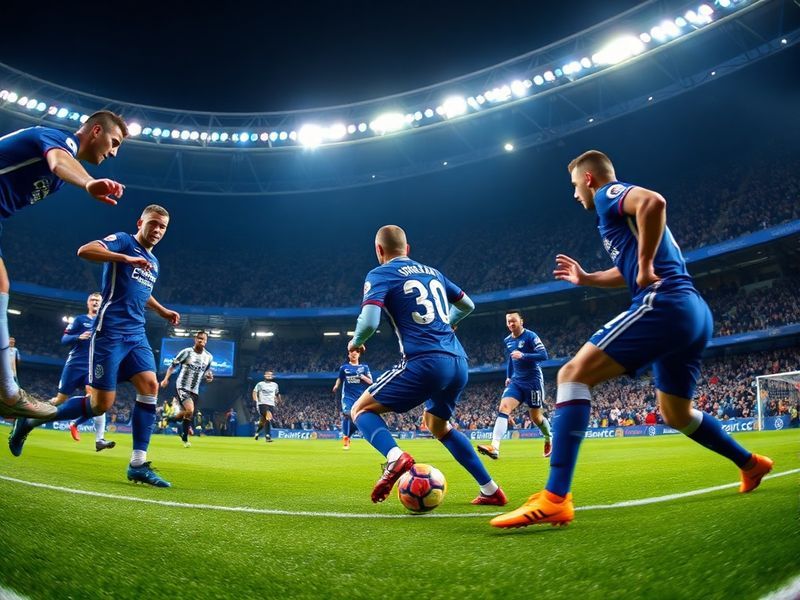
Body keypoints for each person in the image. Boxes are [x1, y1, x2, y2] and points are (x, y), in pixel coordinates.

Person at [491, 150, 773, 528]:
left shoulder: (609, 196)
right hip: (692, 312)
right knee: (675, 413)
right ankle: (750, 463)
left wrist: (643, 266)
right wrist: (589, 278)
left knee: (572, 375)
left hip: (665, 302)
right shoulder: (614, 218)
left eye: (575, 185)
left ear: (589, 179)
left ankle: (556, 496)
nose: (575, 195)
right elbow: (625, 266)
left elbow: (654, 202)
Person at [9, 205, 180, 488]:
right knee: (101, 405)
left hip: (136, 334)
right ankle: (30, 420)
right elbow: (85, 250)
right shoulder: (125, 241)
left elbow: (143, 292)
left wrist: (162, 310)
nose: (158, 231)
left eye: (163, 227)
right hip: (109, 333)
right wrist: (123, 258)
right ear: (141, 222)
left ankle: (137, 464)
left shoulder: (154, 262)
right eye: (153, 224)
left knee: (150, 386)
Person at [348, 225, 507, 506]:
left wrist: (356, 342)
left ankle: (395, 458)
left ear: (379, 251)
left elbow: (369, 321)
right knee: (437, 425)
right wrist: (449, 321)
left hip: (424, 362)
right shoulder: (432, 271)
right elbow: (467, 304)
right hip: (458, 362)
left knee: (359, 409)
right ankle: (491, 489)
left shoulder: (380, 273)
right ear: (408, 249)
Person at [0, 111, 127, 419]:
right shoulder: (57, 139)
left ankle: (7, 392)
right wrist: (88, 183)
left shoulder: (57, 182)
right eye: (113, 142)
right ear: (96, 130)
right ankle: (7, 393)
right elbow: (58, 160)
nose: (113, 153)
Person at [477, 311, 552, 460]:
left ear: (521, 321)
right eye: (508, 322)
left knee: (536, 418)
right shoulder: (508, 340)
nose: (511, 324)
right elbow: (511, 359)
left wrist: (524, 355)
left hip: (533, 382)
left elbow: (544, 355)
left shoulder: (531, 336)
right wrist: (508, 376)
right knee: (503, 408)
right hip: (516, 381)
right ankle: (495, 447)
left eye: (514, 321)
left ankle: (549, 438)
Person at [50, 292, 115, 451]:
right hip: (75, 364)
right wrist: (78, 336)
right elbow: (64, 340)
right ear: (88, 303)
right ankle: (30, 413)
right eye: (92, 300)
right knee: (59, 400)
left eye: (98, 300)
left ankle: (99, 439)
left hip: (92, 367)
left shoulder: (104, 322)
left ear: (102, 304)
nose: (95, 302)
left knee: (96, 400)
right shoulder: (80, 320)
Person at [160, 330, 214, 447]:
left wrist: (209, 376)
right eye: (199, 338)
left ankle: (183, 434)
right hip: (182, 386)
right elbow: (172, 366)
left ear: (206, 341)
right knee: (190, 410)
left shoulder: (208, 357)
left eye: (203, 339)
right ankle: (173, 421)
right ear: (195, 339)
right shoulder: (186, 352)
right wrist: (166, 379)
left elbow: (207, 371)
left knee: (189, 414)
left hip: (195, 389)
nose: (201, 340)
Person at [332, 348, 373, 450]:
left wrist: (363, 377)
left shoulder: (364, 367)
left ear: (359, 355)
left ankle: (349, 435)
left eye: (356, 353)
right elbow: (339, 378)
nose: (353, 355)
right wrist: (336, 386)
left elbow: (371, 382)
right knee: (347, 414)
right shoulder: (344, 367)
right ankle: (345, 439)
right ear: (349, 355)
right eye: (351, 353)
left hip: (360, 397)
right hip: (347, 397)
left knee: (357, 419)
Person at [252, 371, 280, 442]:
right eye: (267, 375)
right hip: (262, 403)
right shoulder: (260, 384)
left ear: (272, 376)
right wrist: (255, 400)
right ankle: (267, 436)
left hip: (271, 404)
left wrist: (279, 400)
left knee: (264, 420)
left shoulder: (275, 385)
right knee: (268, 416)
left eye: (270, 375)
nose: (269, 376)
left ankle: (257, 432)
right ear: (264, 376)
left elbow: (277, 394)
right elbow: (254, 392)